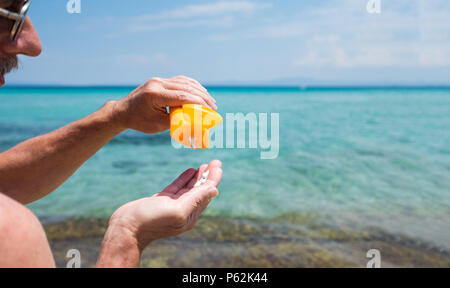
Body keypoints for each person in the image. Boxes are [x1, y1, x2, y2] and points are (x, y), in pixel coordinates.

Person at [0, 0, 223, 268]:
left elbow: (5, 184)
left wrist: (119, 114)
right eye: (12, 14)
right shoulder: (11, 233)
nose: (34, 45)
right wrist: (128, 236)